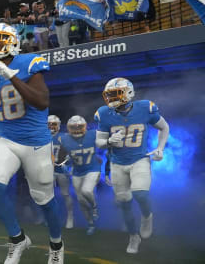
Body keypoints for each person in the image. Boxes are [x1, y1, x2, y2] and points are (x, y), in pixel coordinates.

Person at [0, 23, 64, 264]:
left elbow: (42, 101)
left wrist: (10, 75)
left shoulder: (28, 63)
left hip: (36, 143)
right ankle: (17, 239)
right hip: (6, 139)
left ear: (13, 41)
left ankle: (56, 245)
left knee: (43, 199)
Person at [94, 78, 169, 254]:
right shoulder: (104, 113)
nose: (111, 99)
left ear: (129, 93)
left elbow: (164, 128)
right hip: (117, 163)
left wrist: (160, 148)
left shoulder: (145, 108)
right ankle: (133, 236)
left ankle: (146, 216)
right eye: (109, 95)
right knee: (124, 202)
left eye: (116, 94)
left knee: (140, 193)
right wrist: (109, 141)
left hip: (139, 159)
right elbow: (99, 142)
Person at [56, 115, 102, 236]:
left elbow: (105, 144)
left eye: (79, 126)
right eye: (73, 127)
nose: (76, 129)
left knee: (86, 191)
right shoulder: (64, 139)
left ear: (85, 126)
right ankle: (91, 224)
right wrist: (65, 164)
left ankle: (95, 207)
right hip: (77, 172)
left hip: (92, 169)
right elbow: (62, 158)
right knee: (81, 201)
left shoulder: (93, 134)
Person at [48, 115, 74, 230]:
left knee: (65, 194)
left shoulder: (64, 137)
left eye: (54, 124)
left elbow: (72, 152)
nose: (51, 126)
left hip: (61, 170)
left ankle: (70, 216)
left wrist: (67, 163)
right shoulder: (42, 137)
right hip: (47, 171)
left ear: (58, 125)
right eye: (49, 124)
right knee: (47, 195)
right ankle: (49, 217)